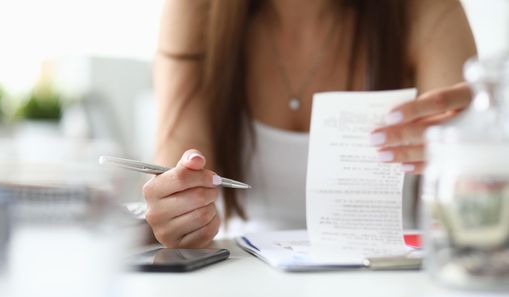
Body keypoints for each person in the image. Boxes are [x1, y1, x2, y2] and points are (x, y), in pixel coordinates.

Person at [143, 0, 476, 248]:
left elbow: (472, 197)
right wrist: (177, 210)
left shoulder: (425, 9)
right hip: (243, 280)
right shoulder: (196, 10)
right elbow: (178, 181)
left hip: (388, 278)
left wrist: (481, 155)